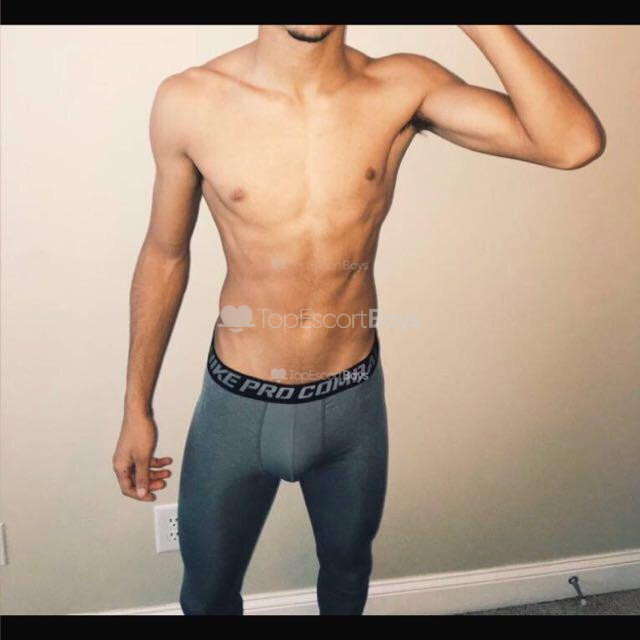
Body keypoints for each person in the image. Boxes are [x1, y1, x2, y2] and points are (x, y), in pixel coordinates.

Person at [112, 25, 605, 615]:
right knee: (208, 593)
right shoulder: (190, 101)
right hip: (236, 406)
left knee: (348, 574)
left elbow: (571, 143)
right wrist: (136, 406)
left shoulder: (401, 87)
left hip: (351, 405)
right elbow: (165, 256)